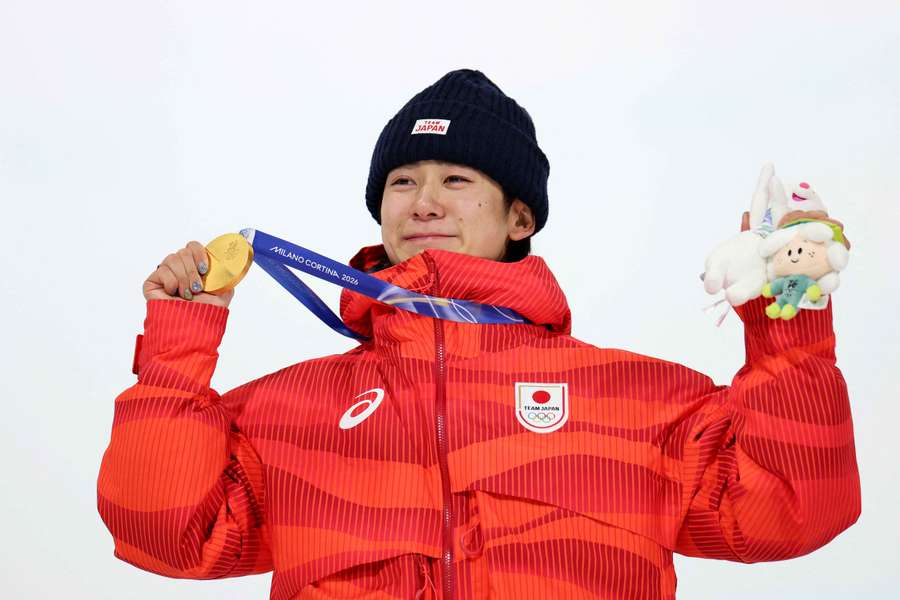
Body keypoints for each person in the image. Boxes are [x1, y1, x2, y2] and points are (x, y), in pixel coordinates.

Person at [97, 69, 861, 599]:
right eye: (403, 181)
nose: (424, 200)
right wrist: (176, 353)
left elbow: (788, 511)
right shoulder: (290, 410)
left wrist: (787, 328)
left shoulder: (636, 400)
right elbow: (171, 534)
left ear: (519, 217)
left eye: (457, 180)